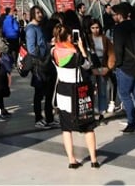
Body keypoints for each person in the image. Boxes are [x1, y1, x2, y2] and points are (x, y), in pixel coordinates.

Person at [52, 23, 100, 168]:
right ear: (68, 36)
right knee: (87, 126)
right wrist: (81, 48)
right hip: (78, 92)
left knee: (66, 127)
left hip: (62, 91)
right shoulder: (75, 55)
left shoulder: (53, 51)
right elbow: (88, 66)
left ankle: (71, 160)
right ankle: (93, 159)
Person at [110, 3, 135, 134]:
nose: (112, 17)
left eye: (114, 14)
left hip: (126, 67)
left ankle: (132, 122)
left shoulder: (119, 28)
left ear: (119, 15)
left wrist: (118, 64)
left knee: (125, 95)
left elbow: (118, 49)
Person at [26, 5, 58, 129]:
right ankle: (38, 118)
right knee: (39, 93)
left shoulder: (38, 28)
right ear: (33, 14)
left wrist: (48, 44)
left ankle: (49, 118)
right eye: (38, 12)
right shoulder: (31, 29)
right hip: (39, 65)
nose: (40, 14)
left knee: (49, 92)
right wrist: (46, 48)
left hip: (45, 63)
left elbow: (41, 44)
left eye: (41, 12)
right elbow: (32, 49)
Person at [89, 19, 115, 121]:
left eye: (97, 28)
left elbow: (111, 53)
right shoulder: (88, 39)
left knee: (102, 89)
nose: (95, 30)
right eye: (93, 28)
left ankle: (101, 112)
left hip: (103, 64)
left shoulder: (105, 39)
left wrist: (109, 67)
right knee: (91, 89)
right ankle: (92, 111)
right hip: (92, 65)